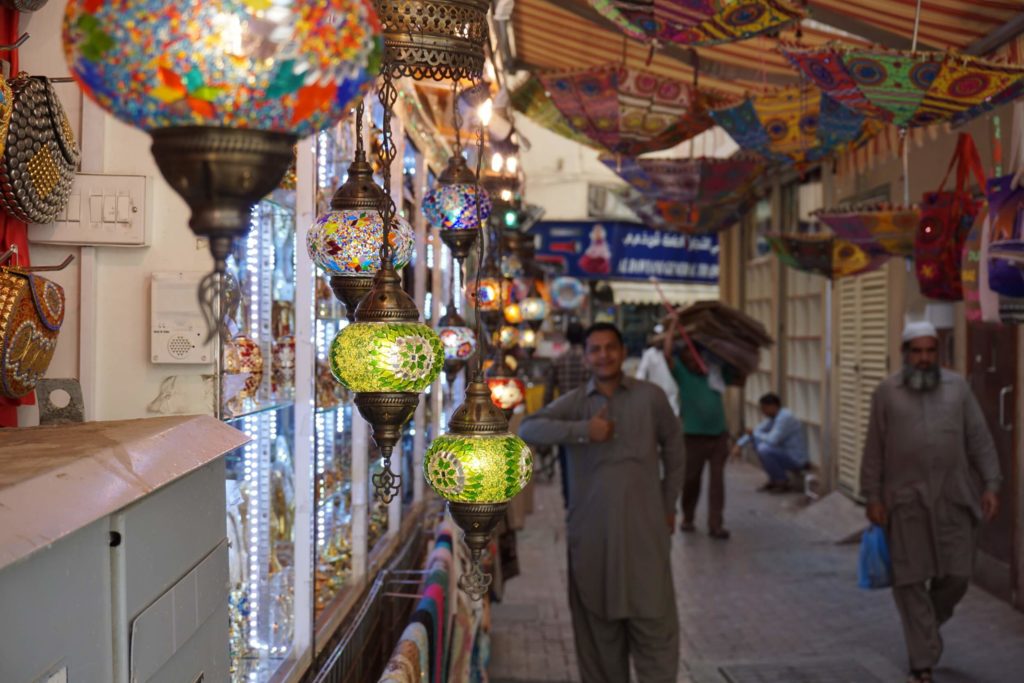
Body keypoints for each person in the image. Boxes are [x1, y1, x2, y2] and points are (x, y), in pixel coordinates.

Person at [519, 322, 685, 683]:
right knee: (598, 633)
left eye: (611, 347)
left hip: (645, 534)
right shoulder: (577, 402)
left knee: (654, 625)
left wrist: (669, 504)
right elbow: (528, 428)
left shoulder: (651, 397)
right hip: (592, 536)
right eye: (595, 349)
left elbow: (675, 450)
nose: (604, 355)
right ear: (587, 356)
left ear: (623, 353)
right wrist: (581, 431)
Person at [860, 320, 1001, 683]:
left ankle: (926, 631)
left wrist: (991, 484)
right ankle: (921, 663)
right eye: (916, 351)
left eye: (930, 351)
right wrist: (872, 496)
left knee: (957, 575)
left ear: (938, 354)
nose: (924, 359)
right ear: (906, 354)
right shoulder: (886, 392)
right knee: (909, 581)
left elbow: (979, 439)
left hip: (954, 500)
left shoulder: (958, 390)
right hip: (904, 504)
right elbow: (874, 449)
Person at [664, 312, 732, 540]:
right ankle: (689, 517)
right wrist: (674, 325)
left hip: (718, 435)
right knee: (691, 480)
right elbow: (667, 354)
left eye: (695, 357)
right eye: (687, 358)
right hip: (692, 436)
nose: (693, 361)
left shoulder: (715, 374)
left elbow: (734, 364)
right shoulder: (683, 375)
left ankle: (716, 524)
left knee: (717, 482)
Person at [544, 322, 590, 508]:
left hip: (563, 419)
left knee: (565, 462)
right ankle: (585, 499)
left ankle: (569, 500)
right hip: (587, 418)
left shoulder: (558, 360)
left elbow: (548, 393)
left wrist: (546, 417)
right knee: (587, 461)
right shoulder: (589, 361)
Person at [734, 393, 808, 492]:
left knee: (764, 449)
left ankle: (781, 480)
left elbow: (773, 439)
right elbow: (758, 430)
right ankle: (774, 478)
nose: (763, 412)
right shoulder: (773, 417)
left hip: (795, 457)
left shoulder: (785, 418)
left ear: (773, 406)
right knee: (758, 443)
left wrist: (754, 433)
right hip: (784, 453)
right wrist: (739, 444)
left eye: (764, 408)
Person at [635, 327, 681, 416]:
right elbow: (641, 373)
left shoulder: (673, 354)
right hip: (656, 395)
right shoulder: (649, 354)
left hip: (672, 395)